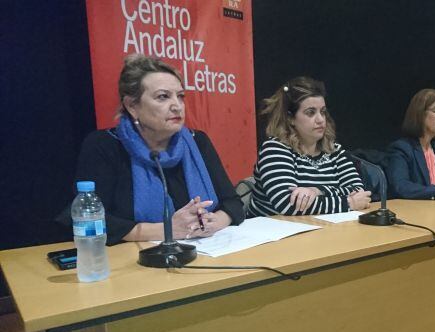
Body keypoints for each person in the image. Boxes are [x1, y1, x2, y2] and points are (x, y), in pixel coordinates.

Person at [72, 54, 244, 245]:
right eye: (163, 97)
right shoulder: (105, 146)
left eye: (180, 97)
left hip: (206, 252)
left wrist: (214, 222)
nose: (177, 106)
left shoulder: (198, 142)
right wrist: (167, 230)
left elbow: (233, 203)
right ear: (132, 106)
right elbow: (89, 221)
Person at [247, 76, 371, 217]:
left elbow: (359, 192)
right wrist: (348, 203)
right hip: (271, 235)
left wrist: (317, 190)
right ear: (290, 118)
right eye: (310, 113)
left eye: (322, 112)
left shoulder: (335, 151)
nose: (320, 119)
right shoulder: (275, 149)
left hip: (318, 231)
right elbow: (288, 205)